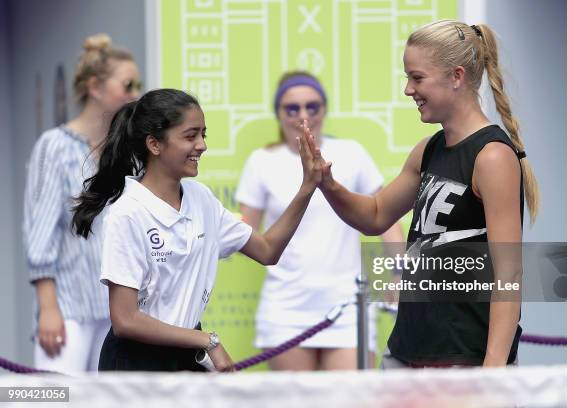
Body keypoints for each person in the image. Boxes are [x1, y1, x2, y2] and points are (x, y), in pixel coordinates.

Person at [298, 20, 539, 368]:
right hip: (408, 351)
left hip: (463, 358)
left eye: (417, 77)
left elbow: (509, 273)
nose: (408, 90)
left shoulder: (492, 156)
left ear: (456, 76)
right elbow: (376, 215)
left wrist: (493, 370)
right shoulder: (429, 149)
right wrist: (327, 183)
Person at [71, 88, 321, 372]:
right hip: (136, 367)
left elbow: (268, 251)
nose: (201, 145)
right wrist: (207, 340)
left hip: (186, 357)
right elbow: (125, 320)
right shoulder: (127, 212)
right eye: (190, 136)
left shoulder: (201, 198)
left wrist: (308, 187)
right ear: (154, 145)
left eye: (203, 134)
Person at [235, 71, 403, 370]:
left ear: (324, 109)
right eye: (292, 108)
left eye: (312, 106)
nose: (303, 115)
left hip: (347, 304)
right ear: (278, 113)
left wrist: (400, 272)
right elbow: (246, 231)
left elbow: (385, 217)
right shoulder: (261, 162)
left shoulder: (352, 153)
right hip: (286, 306)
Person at [23, 33, 141, 373]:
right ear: (95, 86)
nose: (135, 93)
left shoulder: (128, 150)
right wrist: (48, 307)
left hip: (118, 310)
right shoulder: (54, 145)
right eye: (128, 84)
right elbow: (40, 230)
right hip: (68, 307)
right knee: (55, 398)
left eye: (138, 84)